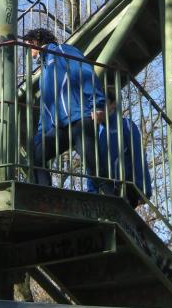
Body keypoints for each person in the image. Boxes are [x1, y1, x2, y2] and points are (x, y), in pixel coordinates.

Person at [24, 27, 110, 192]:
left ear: (36, 41)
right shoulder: (43, 72)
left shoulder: (62, 50)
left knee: (94, 167)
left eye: (29, 46)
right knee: (36, 156)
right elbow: (45, 107)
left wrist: (97, 103)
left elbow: (85, 72)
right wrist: (40, 135)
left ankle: (112, 197)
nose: (29, 52)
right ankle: (45, 195)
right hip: (60, 127)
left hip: (79, 119)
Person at [87, 90, 152, 207]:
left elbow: (138, 157)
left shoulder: (125, 125)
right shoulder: (94, 131)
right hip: (105, 189)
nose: (97, 107)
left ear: (113, 104)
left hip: (126, 188)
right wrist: (92, 191)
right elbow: (91, 164)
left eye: (102, 103)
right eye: (95, 104)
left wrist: (144, 190)